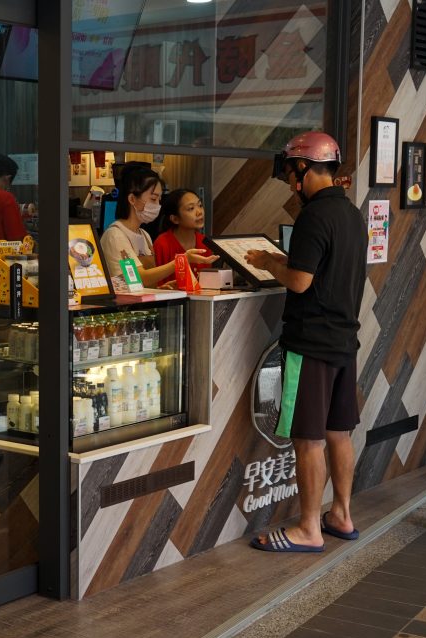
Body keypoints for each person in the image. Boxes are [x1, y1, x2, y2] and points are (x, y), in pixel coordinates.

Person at [245, 131, 367, 553]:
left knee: (308, 438)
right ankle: (342, 515)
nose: (291, 181)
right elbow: (320, 269)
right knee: (338, 433)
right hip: (343, 341)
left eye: (292, 171)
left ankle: (309, 528)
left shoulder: (313, 216)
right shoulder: (350, 213)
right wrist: (271, 259)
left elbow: (300, 280)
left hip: (311, 342)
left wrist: (276, 267)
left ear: (304, 168)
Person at [99, 168, 211, 288]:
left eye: (159, 199)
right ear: (132, 199)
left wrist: (159, 289)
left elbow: (144, 286)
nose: (157, 205)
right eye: (153, 199)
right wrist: (182, 261)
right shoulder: (115, 235)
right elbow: (137, 279)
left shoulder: (144, 235)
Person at [152, 189, 215, 267]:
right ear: (175, 219)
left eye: (200, 205)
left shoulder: (204, 242)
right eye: (191, 208)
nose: (199, 212)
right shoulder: (162, 244)